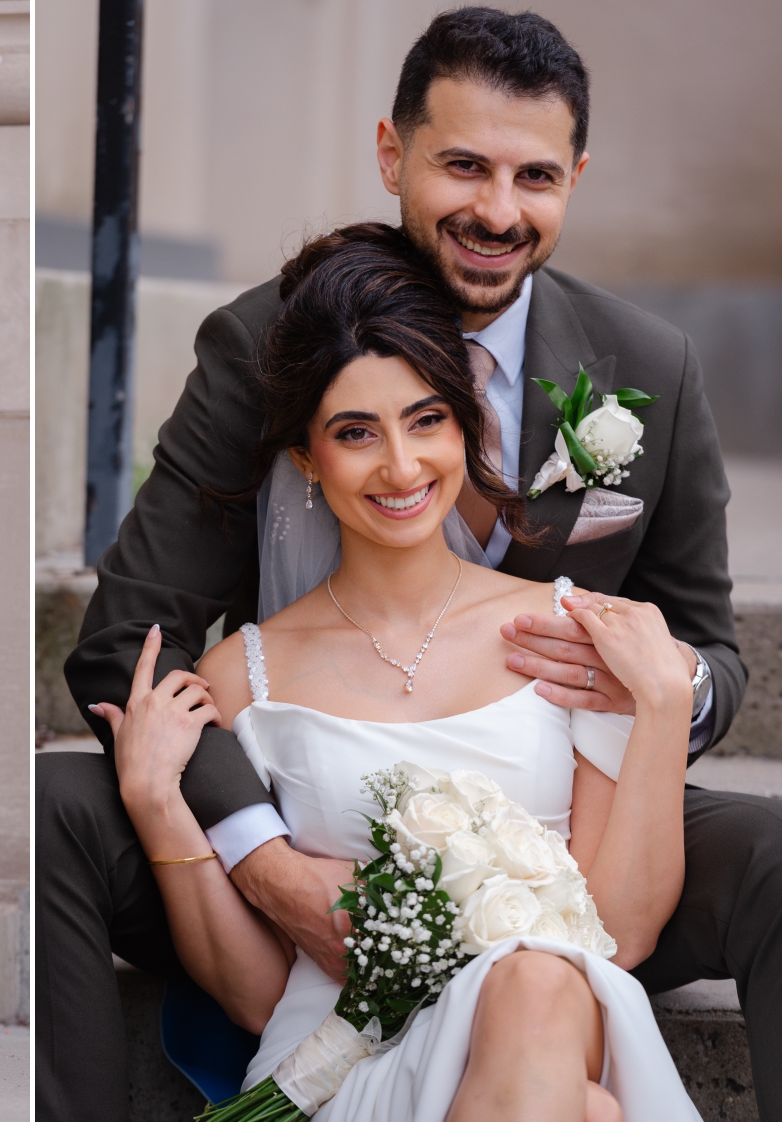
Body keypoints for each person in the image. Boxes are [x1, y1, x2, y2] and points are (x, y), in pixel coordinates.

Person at [40, 9, 778, 1120]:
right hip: (311, 793)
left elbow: (712, 642)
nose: (497, 210)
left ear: (576, 177)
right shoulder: (265, 346)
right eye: (464, 165)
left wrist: (659, 690)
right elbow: (121, 644)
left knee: (774, 854)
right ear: (393, 155)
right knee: (54, 804)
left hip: (562, 813)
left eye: (536, 176)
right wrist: (266, 859)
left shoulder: (647, 365)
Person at [99, 225, 696, 1119]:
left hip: (554, 1013)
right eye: (356, 432)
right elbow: (262, 995)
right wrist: (157, 809)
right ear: (306, 456)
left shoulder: (569, 637)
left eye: (427, 420)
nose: (402, 465)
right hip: (351, 1066)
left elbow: (623, 930)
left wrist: (661, 700)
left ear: (466, 424)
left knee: (536, 982)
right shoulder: (243, 679)